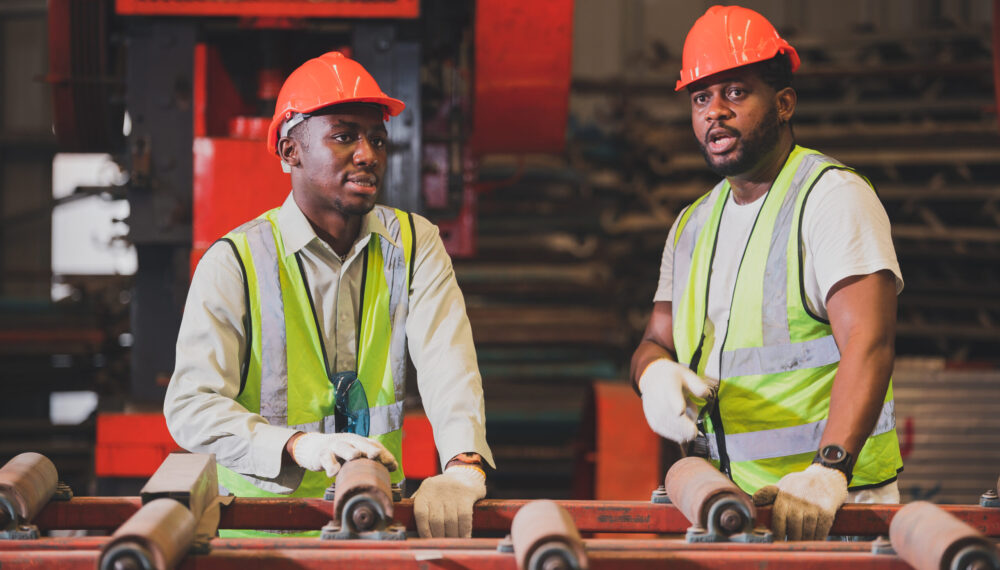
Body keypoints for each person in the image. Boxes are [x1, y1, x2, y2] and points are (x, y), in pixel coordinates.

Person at [164, 51, 494, 539]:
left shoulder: (412, 244)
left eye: (377, 140)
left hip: (374, 521)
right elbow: (191, 406)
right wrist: (297, 445)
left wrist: (464, 465)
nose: (368, 154)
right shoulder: (235, 262)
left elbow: (450, 365)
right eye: (344, 136)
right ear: (289, 151)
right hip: (260, 534)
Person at [631, 5, 903, 541]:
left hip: (834, 509)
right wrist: (652, 375)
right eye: (701, 98)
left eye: (735, 92)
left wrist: (830, 469)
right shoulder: (691, 226)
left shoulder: (830, 199)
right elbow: (652, 342)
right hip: (731, 510)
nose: (715, 113)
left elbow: (869, 344)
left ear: (783, 104)